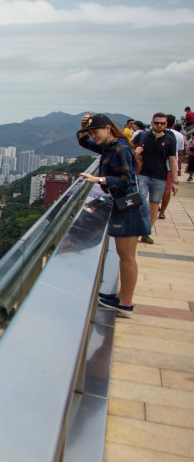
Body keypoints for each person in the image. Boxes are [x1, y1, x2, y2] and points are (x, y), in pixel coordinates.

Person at [77, 113, 147, 317]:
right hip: (123, 203)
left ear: (108, 128)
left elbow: (127, 179)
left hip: (130, 204)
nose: (93, 136)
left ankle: (125, 302)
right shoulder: (110, 145)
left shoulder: (120, 148)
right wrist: (83, 126)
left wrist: (98, 180)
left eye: (95, 132)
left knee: (127, 256)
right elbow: (85, 143)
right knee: (124, 254)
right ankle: (121, 296)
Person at [131, 112, 178, 243]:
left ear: (166, 124)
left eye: (162, 123)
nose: (159, 125)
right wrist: (136, 152)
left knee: (154, 205)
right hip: (143, 174)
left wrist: (175, 181)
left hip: (160, 176)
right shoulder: (143, 135)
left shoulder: (170, 139)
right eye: (156, 122)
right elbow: (130, 148)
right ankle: (137, 228)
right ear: (151, 123)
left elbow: (172, 161)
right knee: (140, 199)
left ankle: (146, 232)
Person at [158, 114, 186, 217]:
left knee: (156, 187)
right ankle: (162, 212)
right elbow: (180, 153)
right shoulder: (179, 136)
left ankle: (156, 205)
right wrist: (178, 168)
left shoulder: (160, 133)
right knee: (167, 189)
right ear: (174, 123)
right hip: (171, 166)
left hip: (159, 165)